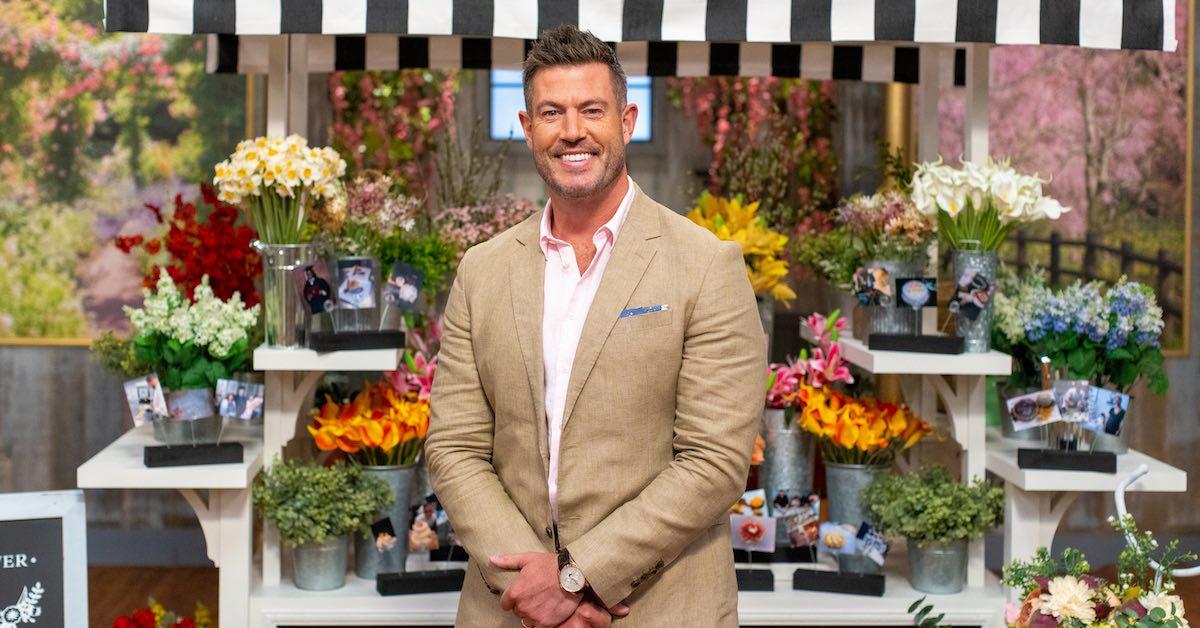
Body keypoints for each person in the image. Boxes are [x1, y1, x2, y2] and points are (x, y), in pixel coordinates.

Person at [425, 25, 765, 628]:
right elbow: (455, 449)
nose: (572, 130)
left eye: (591, 110)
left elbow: (714, 462)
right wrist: (533, 589)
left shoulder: (706, 265)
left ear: (627, 120)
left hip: (660, 608)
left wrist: (578, 576)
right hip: (509, 608)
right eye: (551, 113)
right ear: (528, 128)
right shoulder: (482, 271)